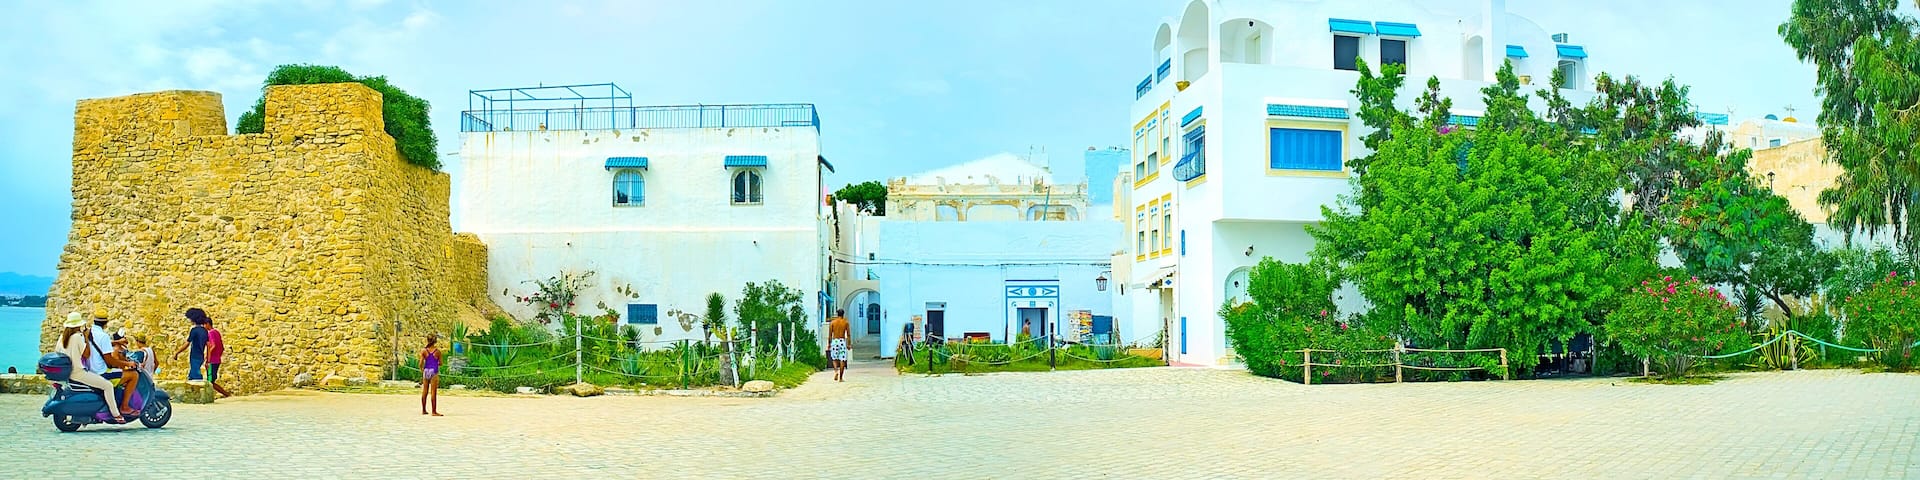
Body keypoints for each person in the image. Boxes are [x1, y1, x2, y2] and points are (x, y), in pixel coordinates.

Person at [55, 312, 122, 420]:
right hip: (78, 373)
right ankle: (116, 414)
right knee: (108, 386)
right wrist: (86, 337)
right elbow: (87, 354)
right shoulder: (78, 337)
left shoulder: (62, 337)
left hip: (68, 373)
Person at [173, 308, 211, 384]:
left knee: (195, 376)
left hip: (194, 356)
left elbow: (187, 344)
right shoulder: (205, 331)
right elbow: (208, 346)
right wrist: (208, 360)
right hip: (201, 356)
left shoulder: (194, 330)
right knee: (193, 374)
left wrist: (177, 352)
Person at [204, 315, 232, 398]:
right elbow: (222, 347)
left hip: (212, 361)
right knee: (211, 380)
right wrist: (218, 355)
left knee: (210, 381)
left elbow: (213, 345)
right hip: (217, 360)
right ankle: (225, 394)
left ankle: (225, 394)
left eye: (204, 324)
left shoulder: (210, 333)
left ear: (207, 324)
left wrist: (207, 357)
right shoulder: (217, 332)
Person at [420, 334, 442, 416]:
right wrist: (436, 363)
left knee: (425, 391)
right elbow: (441, 363)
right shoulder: (437, 351)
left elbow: (420, 363)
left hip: (426, 370)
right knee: (433, 392)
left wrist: (422, 370)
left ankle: (424, 410)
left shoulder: (424, 351)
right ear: (435, 341)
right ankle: (434, 411)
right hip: (433, 371)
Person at [827, 309, 850, 382]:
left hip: (835, 341)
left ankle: (836, 371)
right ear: (843, 314)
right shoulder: (845, 322)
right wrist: (849, 344)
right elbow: (848, 335)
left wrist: (829, 344)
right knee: (842, 359)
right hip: (842, 341)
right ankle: (841, 378)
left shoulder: (833, 323)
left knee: (834, 359)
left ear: (837, 314)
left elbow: (830, 335)